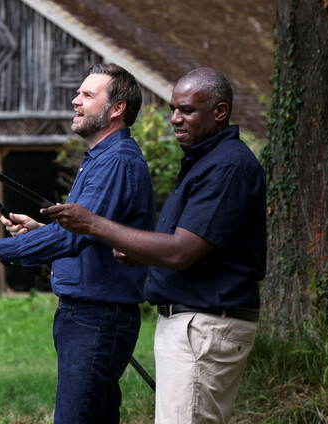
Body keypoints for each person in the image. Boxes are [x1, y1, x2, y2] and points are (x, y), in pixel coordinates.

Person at [42, 67, 267, 424]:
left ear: (220, 112)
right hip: (189, 325)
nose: (175, 118)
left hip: (203, 326)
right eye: (173, 109)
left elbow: (181, 251)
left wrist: (93, 223)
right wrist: (138, 252)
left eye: (187, 110)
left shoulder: (228, 166)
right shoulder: (205, 161)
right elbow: (190, 245)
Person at [0, 63, 156, 423]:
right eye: (78, 93)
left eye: (87, 95)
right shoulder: (101, 160)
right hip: (88, 317)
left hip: (97, 319)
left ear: (117, 108)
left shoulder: (116, 162)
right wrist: (39, 230)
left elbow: (75, 235)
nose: (75, 101)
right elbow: (93, 235)